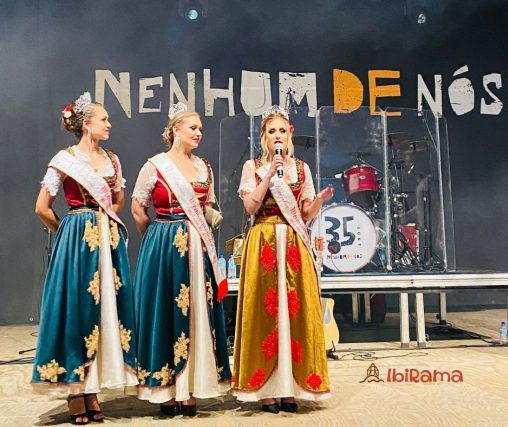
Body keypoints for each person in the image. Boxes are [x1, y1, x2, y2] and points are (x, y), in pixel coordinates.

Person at [32, 92, 137, 424]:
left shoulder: (113, 160)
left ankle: (92, 389)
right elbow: (42, 207)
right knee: (77, 310)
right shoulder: (65, 159)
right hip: (78, 242)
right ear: (86, 123)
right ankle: (76, 391)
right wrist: (68, 231)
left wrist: (104, 221)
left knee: (105, 310)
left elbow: (118, 200)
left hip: (107, 240)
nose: (109, 124)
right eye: (104, 119)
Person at [131, 103, 231, 417]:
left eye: (200, 129)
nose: (199, 133)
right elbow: (138, 209)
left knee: (198, 312)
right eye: (193, 128)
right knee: (165, 312)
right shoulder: (155, 166)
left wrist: (210, 216)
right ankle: (166, 389)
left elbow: (207, 205)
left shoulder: (204, 167)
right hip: (165, 245)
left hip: (198, 248)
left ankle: (193, 388)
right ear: (175, 129)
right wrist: (156, 241)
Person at [232, 105, 334, 413]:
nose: (277, 136)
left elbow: (305, 213)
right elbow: (250, 207)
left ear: (290, 134)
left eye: (282, 130)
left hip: (293, 242)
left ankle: (290, 388)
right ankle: (267, 390)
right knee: (265, 313)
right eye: (271, 131)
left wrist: (319, 201)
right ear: (263, 137)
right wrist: (269, 175)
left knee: (293, 312)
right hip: (263, 240)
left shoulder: (302, 169)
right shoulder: (253, 167)